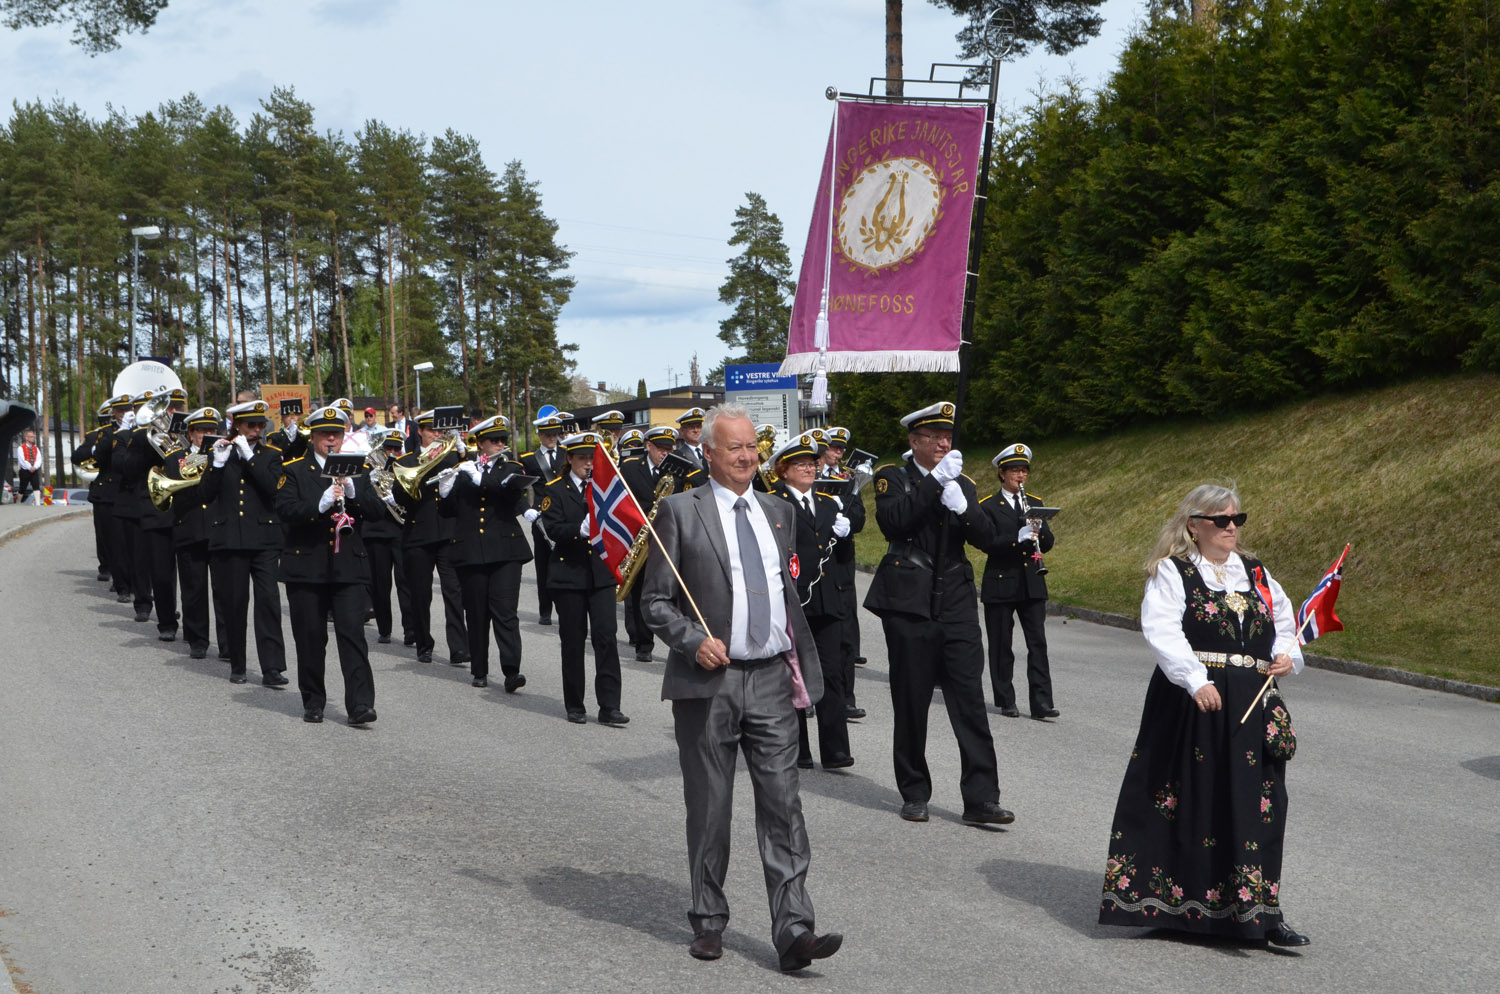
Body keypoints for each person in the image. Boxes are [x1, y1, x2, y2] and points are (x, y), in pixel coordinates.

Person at [642, 402, 842, 972]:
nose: (748, 456)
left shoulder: (779, 511)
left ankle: (794, 930)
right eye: (735, 448)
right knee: (710, 805)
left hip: (773, 678)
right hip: (711, 681)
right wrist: (688, 638)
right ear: (708, 452)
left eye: (753, 446)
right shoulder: (680, 511)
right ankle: (708, 919)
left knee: (783, 804)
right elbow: (654, 600)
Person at [1099, 484, 1308, 946]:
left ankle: (1260, 913)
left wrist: (1287, 657)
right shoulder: (1173, 572)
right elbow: (1162, 630)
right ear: (1194, 525)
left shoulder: (1255, 572)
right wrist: (1195, 680)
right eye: (1221, 520)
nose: (1231, 527)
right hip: (1195, 699)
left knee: (1258, 804)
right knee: (1188, 797)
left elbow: (1286, 624)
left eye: (1237, 519)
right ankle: (1176, 905)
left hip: (1253, 701)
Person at [863, 401, 1013, 826]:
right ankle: (914, 790)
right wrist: (932, 486)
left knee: (970, 701)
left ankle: (981, 797)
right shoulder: (894, 477)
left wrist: (963, 506)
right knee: (911, 701)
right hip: (909, 602)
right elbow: (895, 523)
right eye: (936, 437)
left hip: (957, 601)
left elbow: (988, 538)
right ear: (916, 441)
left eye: (948, 437)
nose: (945, 442)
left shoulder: (961, 482)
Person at [274, 406, 377, 725]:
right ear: (313, 437)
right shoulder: (293, 469)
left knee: (353, 636)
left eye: (336, 434)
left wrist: (353, 491)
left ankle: (360, 704)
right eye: (324, 434)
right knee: (310, 636)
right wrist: (318, 505)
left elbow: (378, 512)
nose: (331, 440)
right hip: (306, 564)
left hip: (347, 565)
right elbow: (284, 509)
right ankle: (313, 700)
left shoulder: (357, 469)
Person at [770, 432, 856, 771]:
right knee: (793, 673)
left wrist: (846, 534)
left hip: (826, 601)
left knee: (831, 673)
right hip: (792, 601)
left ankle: (835, 749)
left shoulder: (827, 502)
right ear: (783, 469)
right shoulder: (773, 502)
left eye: (812, 463)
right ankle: (799, 748)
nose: (809, 468)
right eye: (801, 464)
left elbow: (840, 556)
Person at [536, 432, 629, 725]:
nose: (588, 464)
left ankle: (610, 705)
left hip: (600, 575)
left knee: (606, 638)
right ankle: (575, 704)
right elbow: (551, 530)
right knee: (573, 641)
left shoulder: (606, 489)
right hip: (569, 575)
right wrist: (580, 529)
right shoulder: (555, 490)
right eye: (582, 458)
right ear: (570, 460)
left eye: (592, 458)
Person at [437, 415, 532, 691]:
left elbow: (510, 496)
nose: (500, 444)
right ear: (480, 443)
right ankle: (479, 669)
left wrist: (480, 478)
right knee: (476, 613)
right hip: (470, 551)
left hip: (505, 550)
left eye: (503, 439)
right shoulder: (463, 469)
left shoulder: (512, 467)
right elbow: (448, 512)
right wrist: (444, 491)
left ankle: (512, 671)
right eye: (495, 440)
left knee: (505, 612)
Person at [201, 399, 289, 686]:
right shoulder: (220, 453)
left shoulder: (271, 454)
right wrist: (216, 463)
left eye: (260, 425)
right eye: (250, 425)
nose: (256, 430)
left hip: (264, 539)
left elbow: (271, 488)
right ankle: (237, 663)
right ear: (236, 425)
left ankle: (272, 668)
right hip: (230, 539)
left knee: (268, 603)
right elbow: (204, 494)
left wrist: (250, 456)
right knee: (234, 603)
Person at [978, 443, 1058, 719]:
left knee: (1038, 644)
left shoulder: (1034, 502)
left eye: (1024, 471)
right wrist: (1017, 538)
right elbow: (986, 542)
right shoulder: (988, 505)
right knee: (1001, 644)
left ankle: (1042, 702)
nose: (1020, 476)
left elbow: (1047, 543)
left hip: (1031, 581)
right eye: (1014, 471)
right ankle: (1005, 699)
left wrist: (1039, 532)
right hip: (1001, 581)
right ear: (1002, 474)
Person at [392, 410, 469, 666]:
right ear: (420, 432)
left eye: (440, 431)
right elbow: (401, 499)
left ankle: (459, 647)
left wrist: (462, 454)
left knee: (454, 591)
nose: (437, 435)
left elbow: (468, 485)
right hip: (418, 534)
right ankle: (424, 644)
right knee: (420, 594)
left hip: (448, 532)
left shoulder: (450, 459)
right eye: (432, 430)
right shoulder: (406, 461)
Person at [162, 407, 227, 660]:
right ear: (190, 434)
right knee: (193, 589)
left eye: (212, 430)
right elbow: (174, 480)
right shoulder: (176, 457)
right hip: (189, 529)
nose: (207, 435)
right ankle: (197, 640)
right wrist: (205, 459)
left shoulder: (225, 455)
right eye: (202, 431)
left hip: (219, 531)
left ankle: (227, 644)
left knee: (224, 592)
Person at [820, 426, 868, 719]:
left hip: (840, 562)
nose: (837, 454)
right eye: (833, 448)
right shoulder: (809, 473)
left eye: (840, 449)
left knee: (846, 633)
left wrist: (849, 521)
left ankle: (846, 698)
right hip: (814, 560)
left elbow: (860, 515)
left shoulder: (848, 478)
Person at [358, 431, 414, 646]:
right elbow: (360, 498)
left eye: (396, 449)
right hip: (375, 532)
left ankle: (410, 630)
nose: (392, 453)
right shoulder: (367, 468)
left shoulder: (404, 467)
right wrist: (370, 484)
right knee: (379, 584)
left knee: (406, 582)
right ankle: (384, 628)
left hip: (400, 530)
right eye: (387, 448)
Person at [519, 414, 567, 626]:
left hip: (565, 515)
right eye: (548, 435)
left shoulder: (568, 454)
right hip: (541, 517)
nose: (552, 438)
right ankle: (545, 609)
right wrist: (526, 510)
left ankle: (566, 605)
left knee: (567, 561)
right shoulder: (528, 458)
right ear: (539, 435)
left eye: (555, 434)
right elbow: (518, 486)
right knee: (543, 564)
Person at [15, 429, 41, 503]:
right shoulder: (21, 448)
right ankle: (18, 501)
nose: (33, 438)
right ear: (26, 438)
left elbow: (39, 459)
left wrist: (35, 467)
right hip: (24, 470)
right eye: (31, 436)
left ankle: (38, 503)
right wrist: (29, 467)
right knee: (22, 487)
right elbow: (22, 460)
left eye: (33, 436)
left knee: (36, 486)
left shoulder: (36, 448)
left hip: (34, 470)